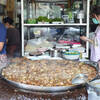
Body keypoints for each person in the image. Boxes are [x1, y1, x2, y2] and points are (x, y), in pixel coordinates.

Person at [80, 6, 100, 72]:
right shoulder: (98, 27)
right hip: (95, 56)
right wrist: (87, 40)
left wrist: (87, 39)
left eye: (94, 17)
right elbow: (97, 42)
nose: (94, 19)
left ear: (98, 16)